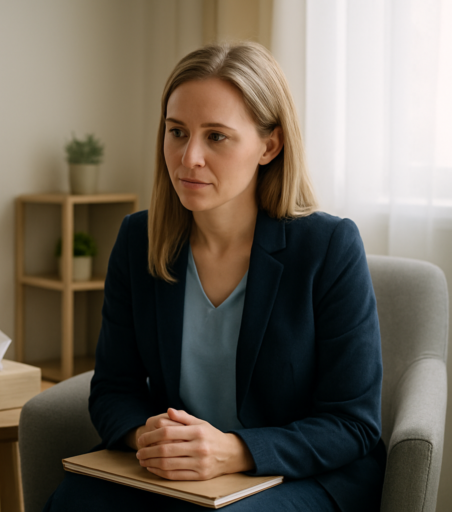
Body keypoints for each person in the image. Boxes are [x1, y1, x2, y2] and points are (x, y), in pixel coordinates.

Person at [44, 42, 385, 512]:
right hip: (185, 477)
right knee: (73, 500)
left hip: (297, 476)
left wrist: (234, 451)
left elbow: (353, 423)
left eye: (217, 137)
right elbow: (113, 388)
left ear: (270, 145)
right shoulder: (137, 238)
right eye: (177, 132)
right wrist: (152, 436)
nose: (189, 158)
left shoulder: (329, 246)